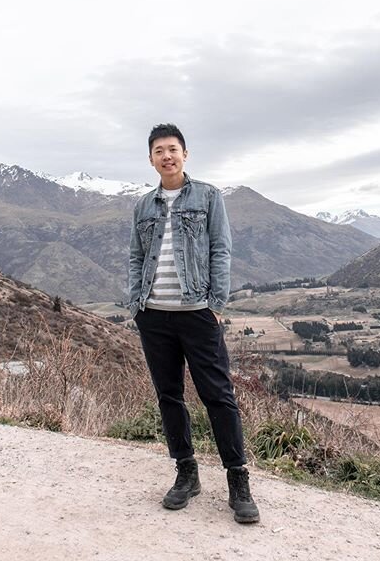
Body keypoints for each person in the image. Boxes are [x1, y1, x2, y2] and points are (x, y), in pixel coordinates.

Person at [128, 123, 259, 524]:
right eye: (158, 151)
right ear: (150, 159)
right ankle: (186, 472)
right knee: (169, 396)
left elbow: (221, 249)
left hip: (198, 313)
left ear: (185, 154)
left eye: (172, 149)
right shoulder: (143, 206)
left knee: (218, 395)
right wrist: (137, 303)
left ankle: (238, 480)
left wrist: (215, 304)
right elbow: (136, 255)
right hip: (154, 315)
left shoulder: (207, 196)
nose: (166, 156)